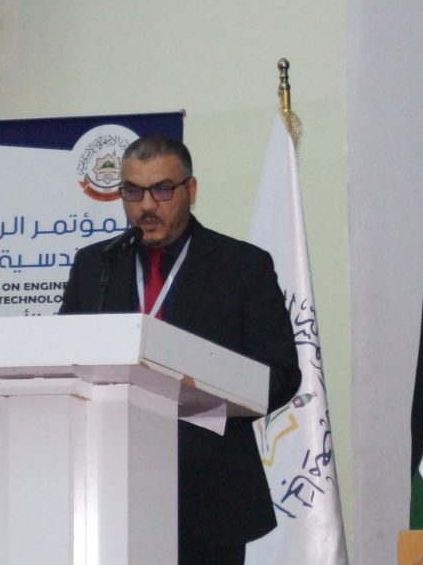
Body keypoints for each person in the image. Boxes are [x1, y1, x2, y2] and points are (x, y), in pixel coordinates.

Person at [59, 135, 301, 564]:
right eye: (133, 192)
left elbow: (281, 374)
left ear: (191, 189)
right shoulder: (97, 265)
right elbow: (64, 358)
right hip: (108, 484)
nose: (146, 206)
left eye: (162, 190)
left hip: (208, 490)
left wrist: (208, 388)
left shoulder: (242, 266)